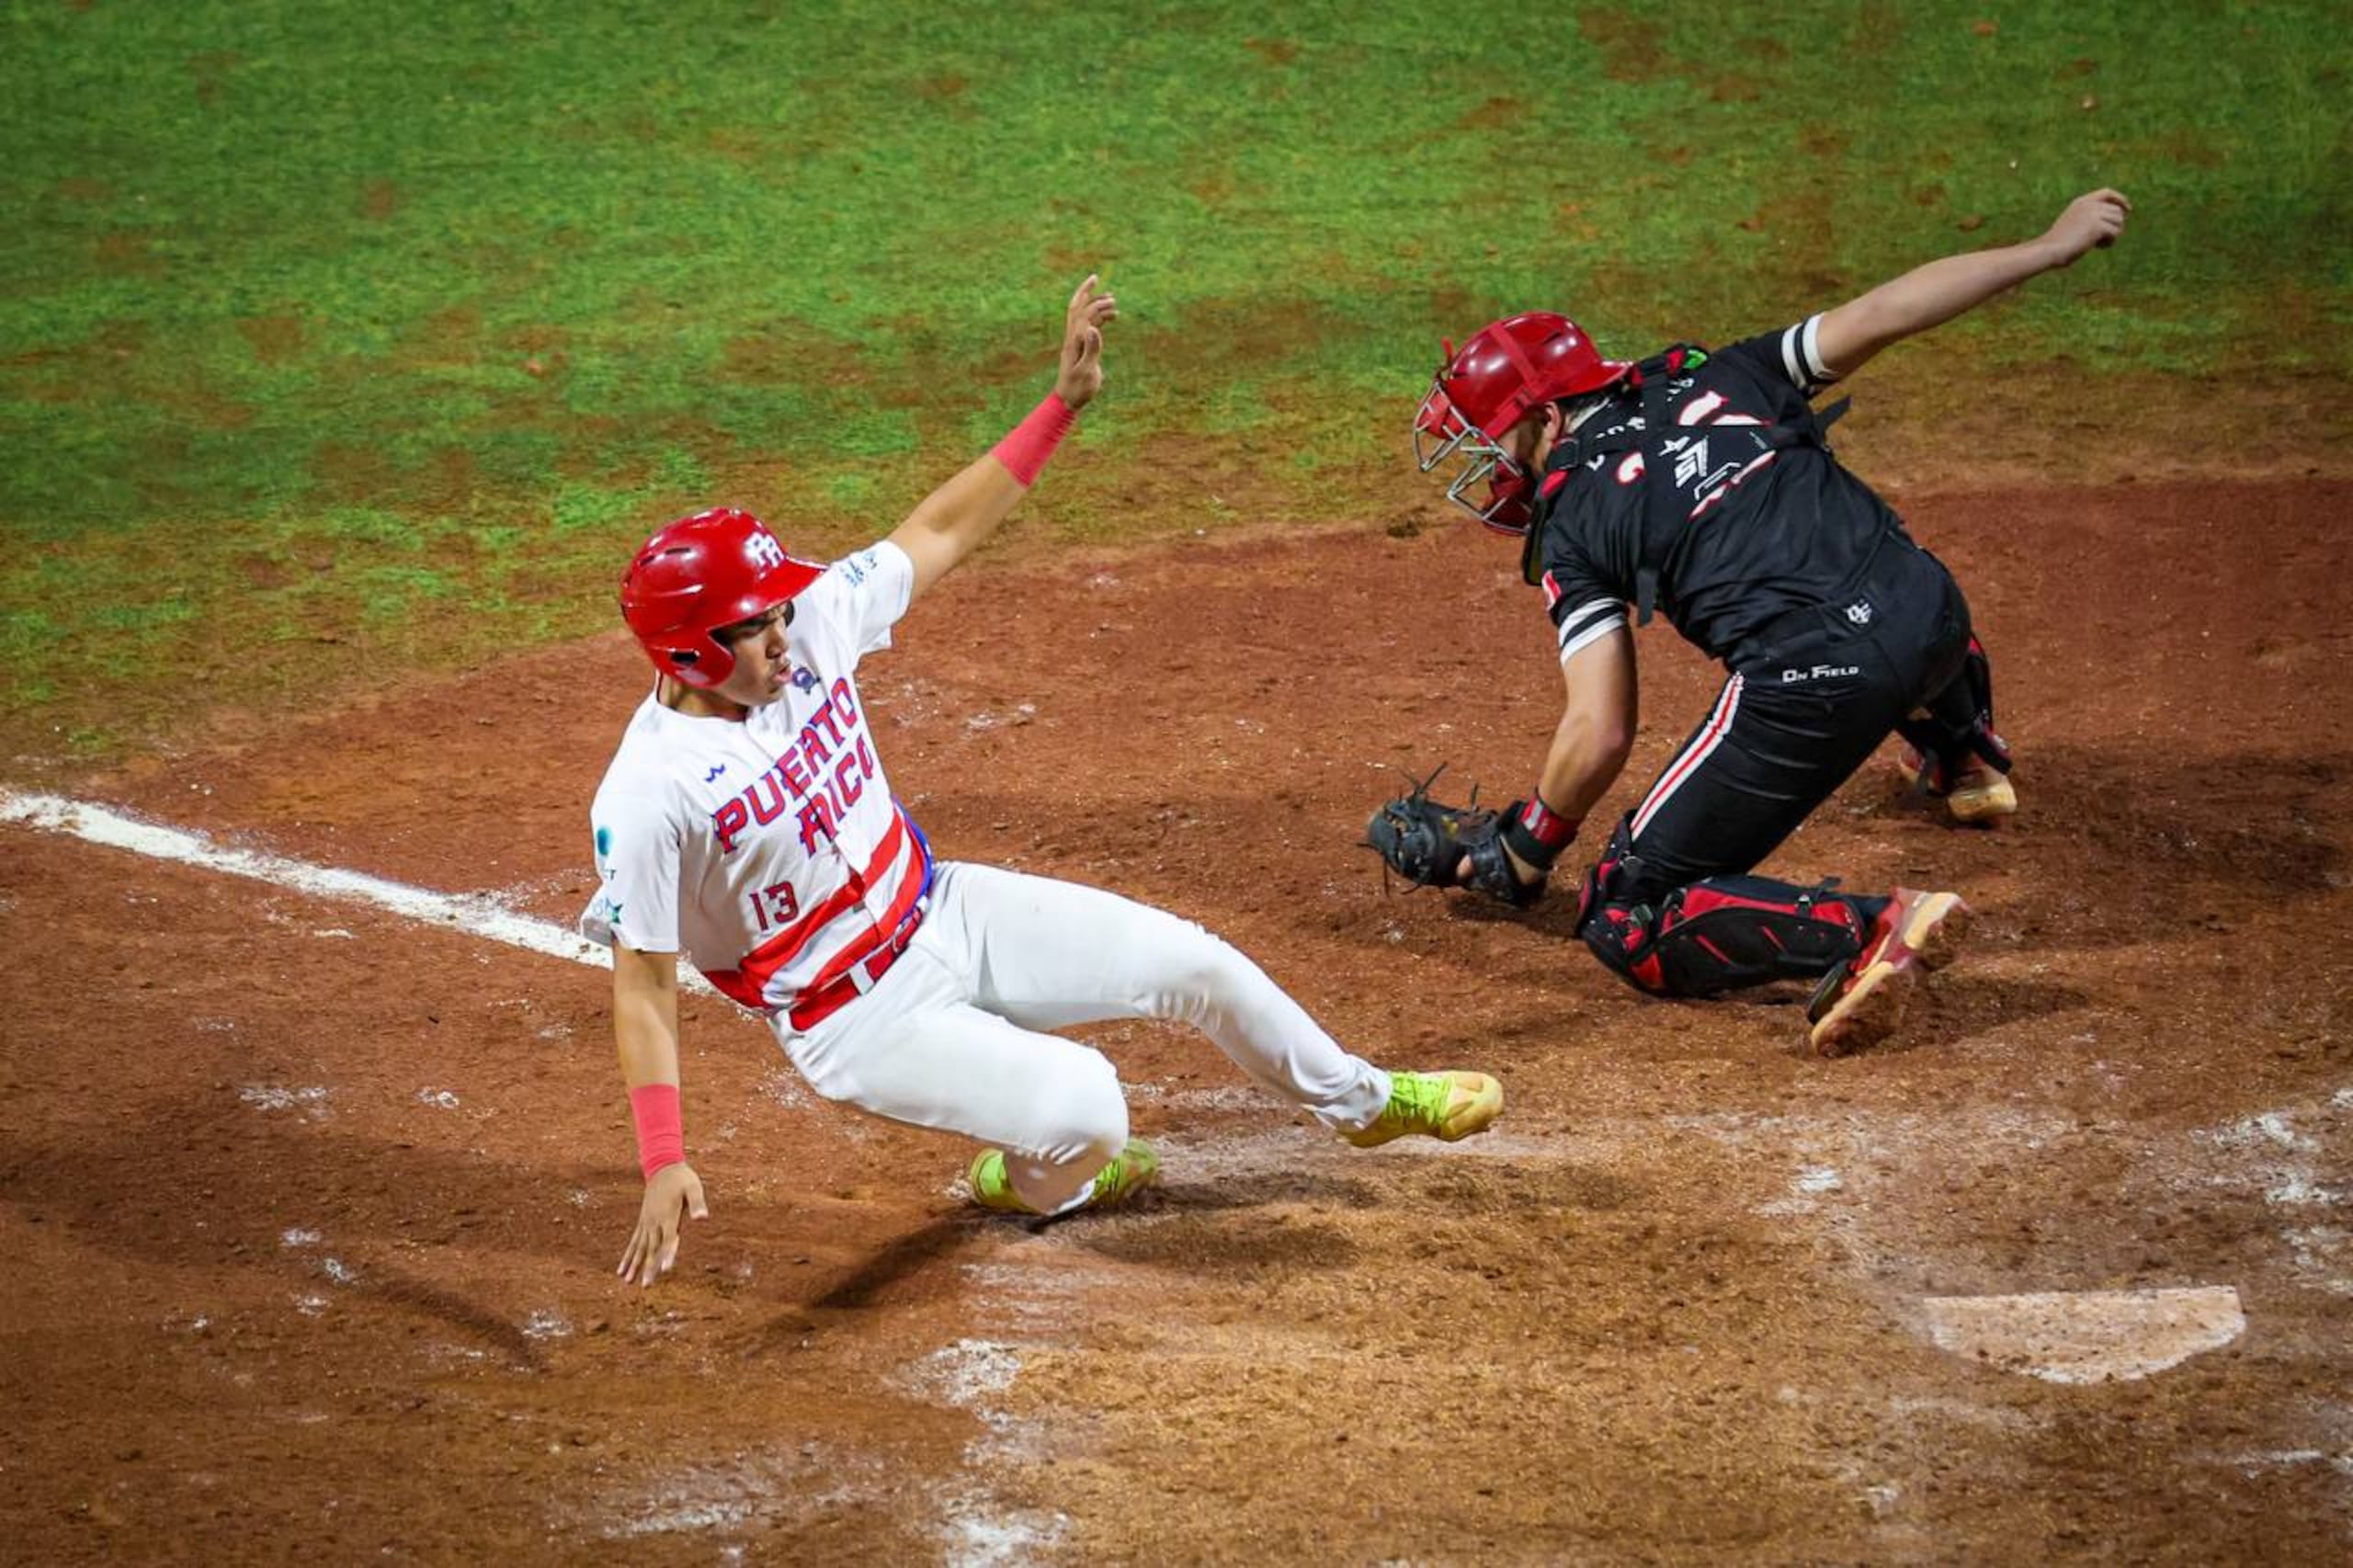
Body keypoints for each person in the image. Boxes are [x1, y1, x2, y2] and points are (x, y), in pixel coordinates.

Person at [583, 277, 1504, 1288]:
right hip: (856, 1015)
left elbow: (933, 532)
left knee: (1195, 964)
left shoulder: (809, 627)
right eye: (750, 627)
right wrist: (664, 1157)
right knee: (1089, 1111)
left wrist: (1059, 405)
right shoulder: (650, 791)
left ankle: (1366, 1104)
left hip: (943, 905)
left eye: (777, 611)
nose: (780, 634)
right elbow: (644, 983)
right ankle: (1035, 1180)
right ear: (684, 654)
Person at [1393, 190, 2131, 1055]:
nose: (1490, 466)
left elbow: (1601, 730)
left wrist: (1527, 844)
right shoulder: (1728, 372)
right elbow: (1890, 310)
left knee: (1622, 916)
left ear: (1550, 418)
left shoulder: (1574, 525)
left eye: (1495, 439)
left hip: (1820, 685)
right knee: (1884, 584)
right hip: (1934, 616)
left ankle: (1872, 930)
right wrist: (2048, 246)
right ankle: (1963, 751)